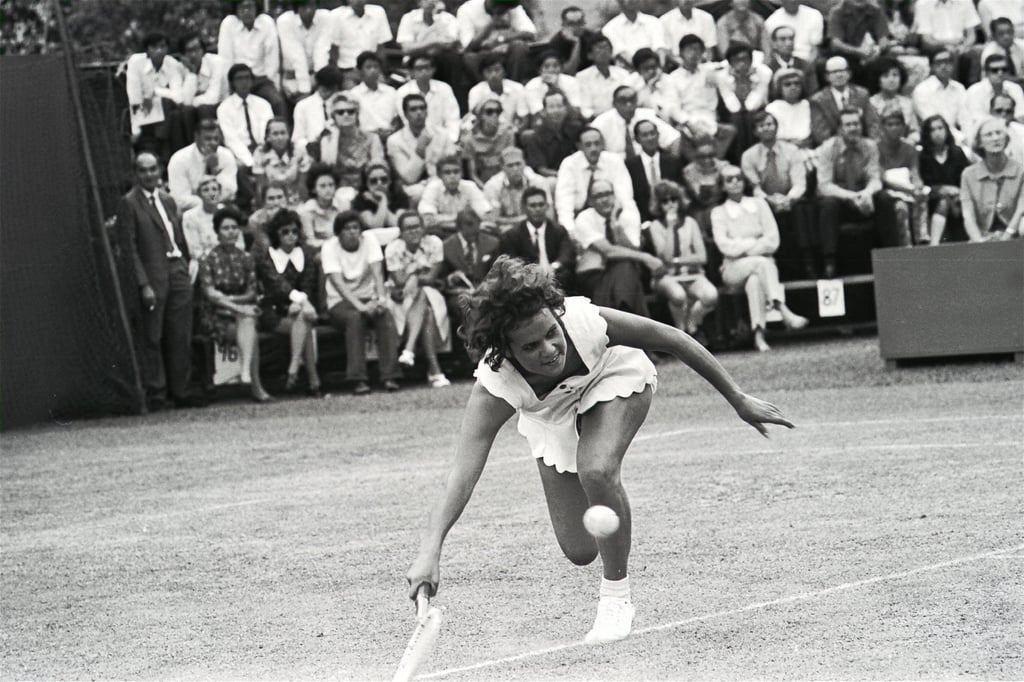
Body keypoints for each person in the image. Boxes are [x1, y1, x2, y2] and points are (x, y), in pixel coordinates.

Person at [404, 256, 795, 645]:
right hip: (551, 415)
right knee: (579, 550)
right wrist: (430, 549)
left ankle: (616, 599)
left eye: (550, 333)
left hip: (612, 375)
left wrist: (737, 398)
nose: (549, 349)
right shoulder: (495, 388)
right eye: (531, 345)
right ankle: (585, 446)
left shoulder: (584, 322)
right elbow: (462, 473)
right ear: (505, 350)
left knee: (596, 468)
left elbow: (671, 338)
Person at [117, 152, 205, 411]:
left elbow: (175, 235)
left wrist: (184, 264)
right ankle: (156, 392)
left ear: (160, 171)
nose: (149, 175)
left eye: (153, 169)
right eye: (143, 170)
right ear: (135, 174)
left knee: (180, 334)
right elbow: (129, 247)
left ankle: (181, 390)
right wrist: (143, 283)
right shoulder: (129, 203)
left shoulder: (167, 200)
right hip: (153, 273)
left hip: (176, 268)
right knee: (153, 336)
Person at [711, 165, 808, 353]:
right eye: (729, 179)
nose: (735, 182)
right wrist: (754, 244)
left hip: (762, 264)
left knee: (755, 280)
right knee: (761, 263)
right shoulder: (718, 212)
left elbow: (773, 240)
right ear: (722, 186)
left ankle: (759, 335)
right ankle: (782, 309)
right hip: (733, 269)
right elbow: (725, 246)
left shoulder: (760, 204)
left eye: (738, 178)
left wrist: (743, 246)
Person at [814, 108, 902, 277]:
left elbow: (875, 178)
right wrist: (852, 197)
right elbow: (824, 185)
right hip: (842, 201)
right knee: (828, 203)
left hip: (863, 200)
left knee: (884, 198)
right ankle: (829, 262)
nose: (853, 128)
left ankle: (892, 255)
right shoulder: (827, 148)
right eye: (848, 125)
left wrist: (866, 194)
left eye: (856, 123)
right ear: (840, 128)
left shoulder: (870, 146)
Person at [322, 211, 403, 395]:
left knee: (385, 315)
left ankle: (390, 376)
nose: (352, 232)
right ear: (339, 232)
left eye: (355, 228)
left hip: (369, 297)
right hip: (340, 301)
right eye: (347, 229)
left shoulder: (369, 240)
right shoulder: (329, 247)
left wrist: (381, 300)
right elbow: (338, 283)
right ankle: (358, 379)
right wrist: (360, 306)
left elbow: (377, 273)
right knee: (355, 318)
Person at [197, 206, 272, 402]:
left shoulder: (245, 258)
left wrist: (231, 300)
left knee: (248, 321)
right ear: (217, 232)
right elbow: (210, 293)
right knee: (248, 321)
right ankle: (255, 385)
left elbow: (252, 291)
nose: (230, 232)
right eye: (225, 228)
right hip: (215, 315)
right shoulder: (207, 259)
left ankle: (246, 371)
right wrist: (237, 306)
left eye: (234, 227)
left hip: (240, 312)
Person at [254, 208, 322, 397]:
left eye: (294, 231)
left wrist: (301, 303)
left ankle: (294, 367)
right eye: (285, 232)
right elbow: (277, 285)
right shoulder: (268, 256)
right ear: (276, 233)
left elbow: (308, 285)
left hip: (299, 308)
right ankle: (312, 378)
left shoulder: (305, 254)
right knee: (305, 322)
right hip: (272, 309)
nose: (290, 236)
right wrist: (302, 303)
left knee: (303, 319)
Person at [572, 179, 664, 315]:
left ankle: (624, 315)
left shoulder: (627, 216)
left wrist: (616, 227)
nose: (604, 199)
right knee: (626, 270)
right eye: (598, 196)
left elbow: (633, 250)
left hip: (624, 274)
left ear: (614, 196)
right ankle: (635, 321)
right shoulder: (584, 218)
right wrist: (646, 257)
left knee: (626, 266)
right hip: (595, 276)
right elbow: (608, 251)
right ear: (590, 201)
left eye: (608, 194)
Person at [740, 111, 812, 278]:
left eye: (770, 124)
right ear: (755, 131)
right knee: (761, 212)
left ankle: (808, 265)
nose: (766, 128)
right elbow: (755, 188)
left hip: (791, 199)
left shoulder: (792, 150)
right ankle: (773, 268)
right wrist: (770, 200)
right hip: (765, 202)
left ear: (776, 127)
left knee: (801, 212)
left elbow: (799, 183)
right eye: (761, 125)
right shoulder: (748, 156)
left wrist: (789, 199)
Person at [386, 211, 452, 388]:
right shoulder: (393, 248)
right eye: (408, 228)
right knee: (427, 313)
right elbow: (399, 281)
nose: (413, 231)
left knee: (425, 295)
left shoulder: (434, 243)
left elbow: (431, 277)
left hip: (430, 292)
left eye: (417, 227)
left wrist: (413, 276)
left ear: (423, 228)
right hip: (402, 296)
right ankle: (434, 370)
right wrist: (416, 274)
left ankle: (409, 349)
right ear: (401, 232)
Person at [646, 180, 718, 344]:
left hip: (692, 274)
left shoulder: (690, 222)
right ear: (659, 204)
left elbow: (701, 257)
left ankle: (691, 325)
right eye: (665, 201)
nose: (670, 204)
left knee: (711, 295)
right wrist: (670, 228)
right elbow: (665, 256)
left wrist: (677, 261)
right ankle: (681, 332)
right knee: (678, 295)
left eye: (674, 199)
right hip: (666, 277)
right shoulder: (656, 226)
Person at [555, 127, 638, 235]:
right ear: (579, 146)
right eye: (588, 145)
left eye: (597, 143)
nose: (593, 148)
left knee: (629, 213)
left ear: (603, 144)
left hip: (610, 214)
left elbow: (625, 197)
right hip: (580, 216)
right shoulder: (569, 164)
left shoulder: (614, 161)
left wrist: (625, 224)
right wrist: (570, 231)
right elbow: (564, 202)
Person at [667, 34, 735, 160]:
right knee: (680, 137)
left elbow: (730, 63)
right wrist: (690, 125)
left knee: (730, 130)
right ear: (681, 53)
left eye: (697, 49)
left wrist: (719, 74)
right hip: (688, 120)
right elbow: (673, 108)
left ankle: (715, 161)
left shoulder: (709, 70)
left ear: (703, 52)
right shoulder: (673, 78)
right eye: (689, 49)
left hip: (710, 117)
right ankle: (698, 165)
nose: (694, 54)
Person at [125, 32, 186, 164]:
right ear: (147, 50)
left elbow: (178, 97)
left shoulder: (172, 64)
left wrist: (156, 92)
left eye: (162, 46)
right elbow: (134, 98)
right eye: (154, 47)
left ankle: (164, 150)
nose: (159, 51)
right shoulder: (135, 63)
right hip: (145, 112)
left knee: (171, 110)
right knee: (164, 104)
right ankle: (162, 151)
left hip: (167, 113)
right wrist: (136, 129)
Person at [498, 187, 575, 290]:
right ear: (524, 208)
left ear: (547, 206)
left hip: (556, 279)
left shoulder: (559, 231)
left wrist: (554, 267)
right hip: (525, 285)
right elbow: (511, 264)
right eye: (533, 205)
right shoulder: (512, 235)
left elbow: (566, 255)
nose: (537, 209)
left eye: (541, 204)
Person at [960, 117, 1024, 241]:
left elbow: (1022, 209)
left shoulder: (1021, 171)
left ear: (1006, 138)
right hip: (984, 237)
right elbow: (968, 215)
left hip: (1015, 234)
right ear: (979, 142)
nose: (995, 138)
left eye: (999, 133)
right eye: (989, 135)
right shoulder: (968, 174)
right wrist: (979, 241)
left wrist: (1007, 235)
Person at [216, 0, 285, 115]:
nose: (246, 11)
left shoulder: (266, 22)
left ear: (256, 7)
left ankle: (281, 131)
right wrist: (230, 88)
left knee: (277, 102)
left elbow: (272, 60)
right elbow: (225, 59)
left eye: (250, 6)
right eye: (242, 7)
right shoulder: (228, 24)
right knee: (234, 108)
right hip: (237, 79)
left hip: (261, 80)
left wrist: (273, 86)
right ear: (236, 9)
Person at [387, 93, 459, 202]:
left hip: (442, 182)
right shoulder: (395, 141)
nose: (419, 112)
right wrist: (420, 150)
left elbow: (453, 164)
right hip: (414, 188)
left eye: (422, 108)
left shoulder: (442, 135)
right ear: (406, 114)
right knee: (419, 194)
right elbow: (409, 178)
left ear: (427, 112)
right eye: (413, 109)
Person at [314, 93, 386, 190]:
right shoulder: (327, 140)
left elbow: (378, 168)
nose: (346, 115)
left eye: (351, 111)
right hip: (338, 189)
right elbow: (328, 168)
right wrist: (334, 137)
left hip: (367, 187)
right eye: (340, 112)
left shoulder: (372, 138)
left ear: (357, 114)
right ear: (333, 116)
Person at [591, 85, 681, 160]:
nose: (629, 105)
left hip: (646, 166)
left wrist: (671, 164)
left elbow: (675, 138)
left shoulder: (648, 115)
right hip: (616, 168)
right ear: (614, 103)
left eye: (632, 100)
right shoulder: (601, 123)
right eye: (623, 101)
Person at [918, 115, 971, 244]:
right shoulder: (922, 156)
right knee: (943, 202)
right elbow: (924, 184)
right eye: (932, 130)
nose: (937, 133)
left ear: (946, 130)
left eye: (940, 128)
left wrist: (957, 192)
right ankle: (934, 245)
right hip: (933, 199)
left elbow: (967, 178)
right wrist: (944, 189)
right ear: (927, 133)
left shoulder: (957, 152)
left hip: (959, 196)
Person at [167, 118, 238, 212]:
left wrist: (215, 170)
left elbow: (230, 191)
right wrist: (208, 204)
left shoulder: (226, 155)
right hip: (191, 210)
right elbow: (180, 198)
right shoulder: (179, 160)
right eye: (208, 139)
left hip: (220, 208)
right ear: (196, 138)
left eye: (216, 139)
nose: (213, 143)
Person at [457, 0, 537, 84]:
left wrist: (502, 39)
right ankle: (488, 88)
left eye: (506, 8)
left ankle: (513, 85)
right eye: (502, 8)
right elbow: (468, 46)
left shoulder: (511, 8)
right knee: (469, 58)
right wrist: (491, 24)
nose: (505, 11)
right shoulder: (466, 10)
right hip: (481, 52)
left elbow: (531, 32)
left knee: (519, 46)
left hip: (505, 49)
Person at [877, 109, 925, 245]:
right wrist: (909, 190)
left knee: (922, 197)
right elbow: (883, 179)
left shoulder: (910, 148)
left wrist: (918, 186)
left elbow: (915, 172)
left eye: (898, 124)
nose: (894, 128)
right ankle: (906, 247)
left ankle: (922, 240)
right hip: (890, 192)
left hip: (908, 188)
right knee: (901, 208)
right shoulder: (876, 148)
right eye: (890, 124)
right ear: (882, 128)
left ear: (903, 127)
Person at [625, 119, 685, 224]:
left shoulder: (672, 161)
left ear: (658, 135)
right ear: (637, 140)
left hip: (672, 217)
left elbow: (681, 193)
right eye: (645, 135)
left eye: (652, 133)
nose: (650, 138)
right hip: (643, 220)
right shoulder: (630, 166)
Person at [216, 64, 274, 171]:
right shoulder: (224, 108)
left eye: (247, 78)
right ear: (232, 83)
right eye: (239, 78)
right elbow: (231, 140)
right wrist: (250, 162)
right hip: (239, 153)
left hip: (263, 150)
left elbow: (268, 132)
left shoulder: (263, 104)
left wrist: (262, 154)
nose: (244, 82)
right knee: (237, 168)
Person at [810, 56, 878, 146]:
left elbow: (873, 124)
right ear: (827, 77)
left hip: (862, 146)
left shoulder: (862, 94)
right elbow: (821, 134)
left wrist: (869, 144)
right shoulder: (818, 100)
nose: (839, 75)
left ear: (849, 73)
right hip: (833, 149)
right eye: (834, 72)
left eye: (842, 71)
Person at [395, 55, 462, 145]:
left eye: (427, 67)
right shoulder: (403, 92)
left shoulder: (444, 88)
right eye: (419, 68)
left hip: (443, 140)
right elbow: (406, 121)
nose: (424, 71)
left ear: (433, 69)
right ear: (412, 71)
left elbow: (453, 119)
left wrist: (451, 140)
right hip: (414, 141)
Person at [418, 156, 495, 234]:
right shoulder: (433, 187)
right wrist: (461, 221)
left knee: (489, 229)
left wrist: (441, 219)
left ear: (462, 173)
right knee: (432, 231)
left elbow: (486, 216)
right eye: (447, 172)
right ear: (439, 175)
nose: (452, 176)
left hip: (466, 232)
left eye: (456, 172)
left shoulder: (470, 186)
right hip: (443, 232)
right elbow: (428, 220)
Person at [275, 0, 332, 103]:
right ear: (297, 7)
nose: (309, 10)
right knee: (303, 102)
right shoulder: (284, 20)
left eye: (311, 5)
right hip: (293, 78)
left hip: (316, 75)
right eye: (304, 6)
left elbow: (322, 52)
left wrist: (322, 83)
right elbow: (296, 56)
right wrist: (305, 90)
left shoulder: (326, 17)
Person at [317, 0, 392, 77]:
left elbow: (381, 49)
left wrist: (383, 73)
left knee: (384, 88)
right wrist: (338, 78)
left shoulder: (378, 12)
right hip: (347, 72)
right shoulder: (336, 15)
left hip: (372, 71)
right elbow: (333, 51)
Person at [483, 147, 550, 232]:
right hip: (505, 231)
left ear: (524, 164)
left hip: (535, 228)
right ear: (502, 167)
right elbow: (492, 219)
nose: (515, 169)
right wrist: (524, 220)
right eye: (510, 165)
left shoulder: (538, 182)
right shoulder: (492, 186)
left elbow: (548, 214)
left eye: (518, 164)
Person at [576, 34, 642, 119]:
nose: (603, 51)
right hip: (596, 119)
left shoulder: (623, 74)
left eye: (606, 47)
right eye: (599, 48)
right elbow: (585, 108)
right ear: (590, 55)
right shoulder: (582, 77)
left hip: (622, 116)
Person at [523, 91, 584, 179]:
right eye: (551, 107)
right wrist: (564, 176)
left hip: (577, 174)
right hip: (552, 178)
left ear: (566, 109)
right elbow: (542, 170)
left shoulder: (576, 129)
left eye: (559, 106)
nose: (556, 111)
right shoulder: (535, 137)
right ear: (543, 112)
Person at [911, 50, 969, 144]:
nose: (943, 66)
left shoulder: (959, 88)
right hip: (931, 139)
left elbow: (966, 120)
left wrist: (969, 140)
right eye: (939, 63)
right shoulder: (921, 90)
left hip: (958, 139)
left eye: (947, 62)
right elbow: (933, 124)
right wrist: (961, 139)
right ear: (932, 67)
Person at [252, 117, 312, 206]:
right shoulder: (260, 153)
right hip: (271, 199)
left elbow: (302, 185)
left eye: (283, 133)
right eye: (275, 134)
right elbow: (261, 186)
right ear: (268, 137)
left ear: (288, 135)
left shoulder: (299, 151)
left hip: (294, 199)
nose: (280, 137)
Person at [441, 208, 501, 292]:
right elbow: (440, 280)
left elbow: (498, 274)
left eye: (478, 223)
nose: (475, 228)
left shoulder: (492, 243)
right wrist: (451, 278)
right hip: (459, 292)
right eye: (469, 224)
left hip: (487, 292)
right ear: (459, 227)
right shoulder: (446, 247)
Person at [460, 98, 517, 187]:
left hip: (507, 181)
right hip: (483, 183)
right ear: (480, 115)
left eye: (497, 111)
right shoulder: (470, 140)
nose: (495, 115)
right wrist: (486, 190)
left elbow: (512, 163)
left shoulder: (507, 133)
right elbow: (473, 175)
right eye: (489, 112)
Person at [963, 55, 1024, 138]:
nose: (1000, 73)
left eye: (1004, 69)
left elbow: (1020, 117)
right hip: (984, 133)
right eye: (995, 70)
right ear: (986, 73)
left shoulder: (1015, 88)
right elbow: (977, 121)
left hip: (1012, 131)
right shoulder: (974, 91)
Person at [468, 53, 529, 131]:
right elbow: (475, 120)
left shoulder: (517, 88)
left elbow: (524, 119)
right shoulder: (475, 92)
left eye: (497, 70)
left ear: (504, 72)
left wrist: (513, 132)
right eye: (489, 71)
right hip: (487, 135)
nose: (493, 75)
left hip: (511, 132)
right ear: (483, 74)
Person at [348, 51, 400, 139]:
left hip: (390, 137)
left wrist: (392, 130)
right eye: (368, 67)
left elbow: (397, 117)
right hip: (364, 139)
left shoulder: (391, 91)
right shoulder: (353, 95)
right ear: (359, 71)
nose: (373, 70)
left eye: (376, 67)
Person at [291, 65, 344, 151]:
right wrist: (312, 146)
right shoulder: (303, 106)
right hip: (311, 151)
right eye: (326, 88)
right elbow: (297, 139)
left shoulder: (342, 104)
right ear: (319, 86)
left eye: (332, 89)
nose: (328, 92)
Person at [601, 0, 668, 67]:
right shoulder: (609, 28)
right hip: (626, 73)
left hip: (656, 69)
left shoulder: (654, 21)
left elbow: (660, 48)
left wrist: (658, 68)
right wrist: (643, 70)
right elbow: (622, 54)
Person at [868, 58, 919, 143]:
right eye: (886, 76)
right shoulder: (871, 103)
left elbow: (915, 131)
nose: (891, 80)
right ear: (878, 80)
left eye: (895, 75)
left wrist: (910, 140)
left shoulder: (907, 103)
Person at [524, 51, 583, 119]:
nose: (551, 70)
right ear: (539, 70)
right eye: (546, 67)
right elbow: (538, 114)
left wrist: (555, 87)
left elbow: (576, 111)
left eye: (555, 66)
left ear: (561, 68)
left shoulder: (571, 81)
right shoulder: (532, 86)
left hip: (568, 120)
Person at [177, 32, 227, 111]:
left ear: (203, 50)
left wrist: (194, 99)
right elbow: (185, 102)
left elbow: (213, 98)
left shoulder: (216, 62)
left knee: (203, 109)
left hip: (222, 106)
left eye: (196, 49)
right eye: (189, 51)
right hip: (195, 110)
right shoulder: (181, 67)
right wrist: (192, 72)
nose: (193, 54)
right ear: (183, 55)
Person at [763, 26, 819, 96]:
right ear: (774, 44)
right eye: (783, 39)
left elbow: (813, 92)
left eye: (791, 39)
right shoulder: (767, 68)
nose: (788, 43)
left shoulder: (805, 65)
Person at [765, 68, 813, 149]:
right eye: (787, 84)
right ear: (779, 88)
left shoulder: (807, 105)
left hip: (807, 148)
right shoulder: (772, 108)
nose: (793, 87)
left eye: (797, 83)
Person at [352, 162, 411, 229]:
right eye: (374, 181)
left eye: (384, 179)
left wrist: (381, 201)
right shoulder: (361, 199)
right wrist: (383, 200)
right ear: (367, 184)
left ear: (390, 181)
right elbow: (375, 225)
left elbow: (397, 224)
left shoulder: (400, 196)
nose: (379, 183)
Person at [547, 5, 602, 75]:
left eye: (579, 23)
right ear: (563, 25)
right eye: (571, 24)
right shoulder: (556, 42)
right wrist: (576, 43)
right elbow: (569, 72)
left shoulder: (591, 37)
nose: (576, 27)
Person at [299, 165, 342, 248]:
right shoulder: (307, 211)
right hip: (319, 251)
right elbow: (310, 241)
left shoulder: (342, 205)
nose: (328, 189)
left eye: (331, 185)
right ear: (314, 189)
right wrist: (331, 245)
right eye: (323, 186)